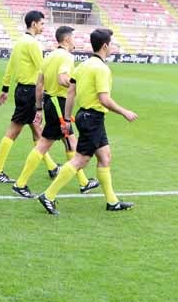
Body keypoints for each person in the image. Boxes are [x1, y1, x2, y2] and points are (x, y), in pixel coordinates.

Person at [37, 28, 137, 215]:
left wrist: (67, 118)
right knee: (80, 160)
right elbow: (104, 99)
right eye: (112, 43)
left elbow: (71, 92)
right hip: (93, 117)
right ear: (105, 45)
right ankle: (48, 195)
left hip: (87, 116)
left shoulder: (83, 65)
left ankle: (112, 201)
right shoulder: (101, 69)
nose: (113, 46)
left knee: (105, 156)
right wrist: (125, 112)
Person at [10, 26, 99, 199]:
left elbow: (39, 85)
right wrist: (78, 84)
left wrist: (39, 108)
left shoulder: (49, 56)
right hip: (59, 103)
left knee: (70, 142)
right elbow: (62, 78)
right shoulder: (66, 57)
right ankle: (20, 184)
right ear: (66, 40)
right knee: (45, 144)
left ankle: (83, 183)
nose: (75, 41)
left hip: (50, 101)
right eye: (74, 38)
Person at [0, 10, 60, 184]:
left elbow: (10, 67)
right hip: (30, 92)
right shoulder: (33, 44)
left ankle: (52, 168)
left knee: (36, 128)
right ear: (34, 24)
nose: (44, 26)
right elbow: (43, 69)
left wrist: (5, 88)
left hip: (21, 90)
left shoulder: (19, 42)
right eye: (42, 23)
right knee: (14, 131)